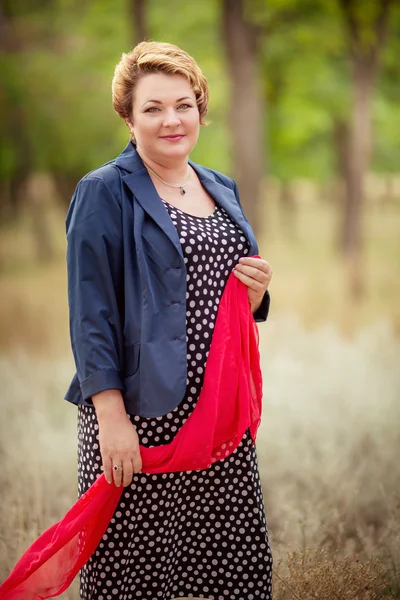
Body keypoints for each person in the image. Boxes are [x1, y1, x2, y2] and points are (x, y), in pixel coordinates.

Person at [65, 40, 273, 600]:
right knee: (130, 579)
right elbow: (91, 316)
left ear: (201, 109)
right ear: (129, 119)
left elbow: (221, 293)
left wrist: (254, 294)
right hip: (142, 413)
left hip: (220, 416)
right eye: (152, 108)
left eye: (183, 104)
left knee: (238, 572)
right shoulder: (103, 190)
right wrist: (111, 418)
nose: (171, 120)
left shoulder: (220, 186)